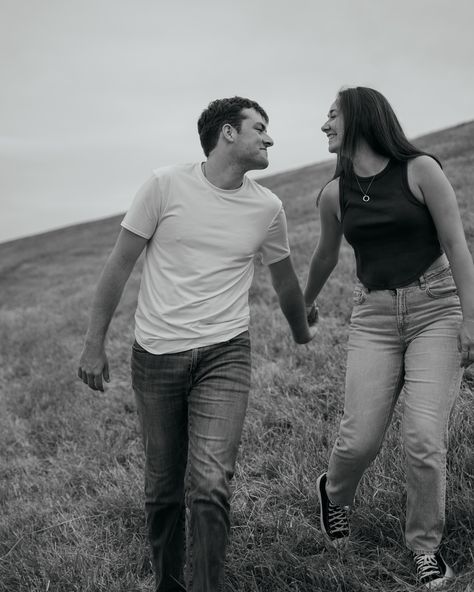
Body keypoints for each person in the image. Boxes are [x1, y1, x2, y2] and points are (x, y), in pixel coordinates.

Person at [78, 96, 315, 592]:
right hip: (156, 356)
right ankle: (169, 584)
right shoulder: (165, 185)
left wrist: (301, 331)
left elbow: (285, 280)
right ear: (228, 133)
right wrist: (93, 343)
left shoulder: (267, 207)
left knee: (209, 485)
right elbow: (119, 265)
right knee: (164, 489)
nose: (270, 138)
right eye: (260, 128)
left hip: (225, 352)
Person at [303, 86, 474, 589]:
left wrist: (472, 318)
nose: (324, 124)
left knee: (423, 438)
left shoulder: (421, 170)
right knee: (358, 441)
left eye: (332, 114)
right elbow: (325, 256)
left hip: (437, 309)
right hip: (374, 317)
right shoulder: (334, 194)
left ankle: (425, 549)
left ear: (359, 117)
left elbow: (457, 247)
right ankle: (334, 494)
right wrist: (304, 300)